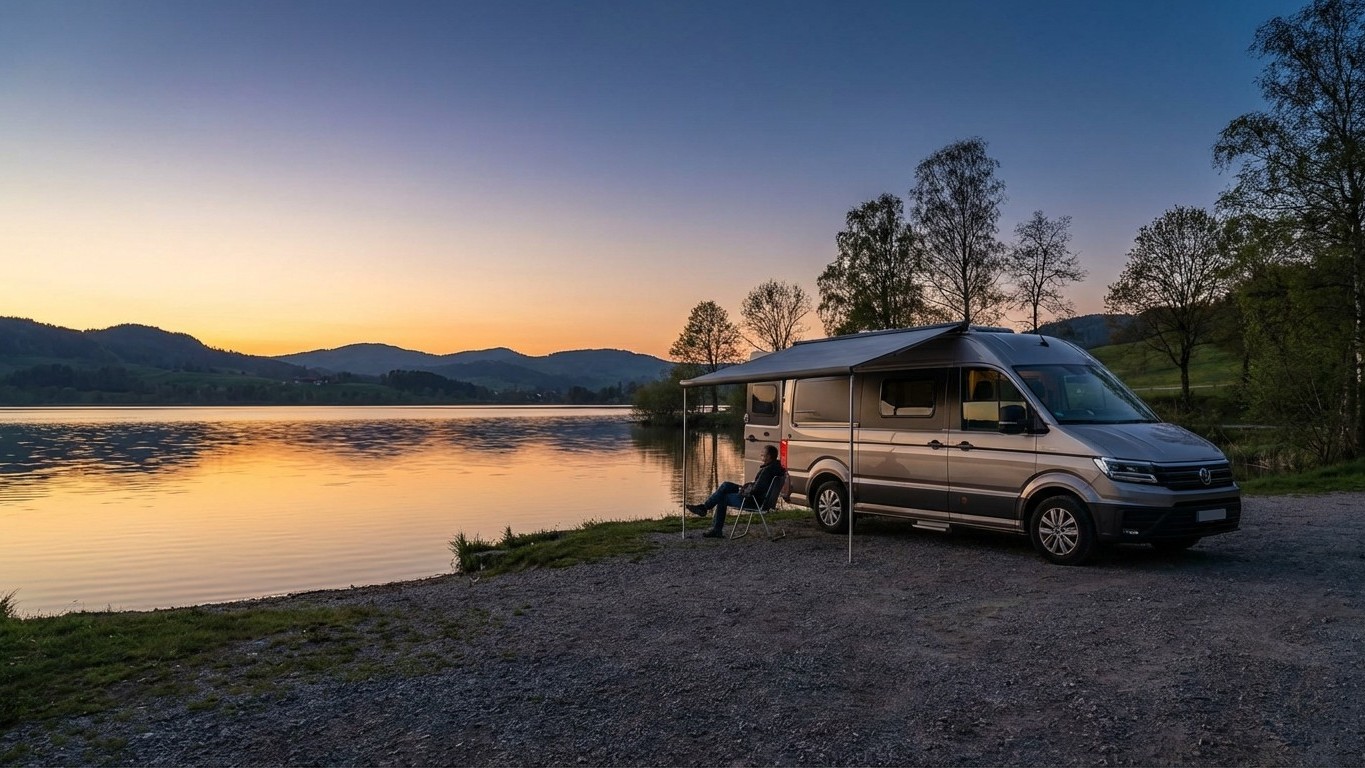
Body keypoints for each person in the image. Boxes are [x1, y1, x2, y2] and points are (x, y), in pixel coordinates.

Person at [686, 444, 787, 538]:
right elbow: (759, 487)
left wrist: (743, 491)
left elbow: (757, 490)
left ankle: (715, 527)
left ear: (769, 456)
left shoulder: (767, 471)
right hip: (759, 499)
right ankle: (704, 508)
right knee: (726, 485)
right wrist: (747, 486)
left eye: (763, 454)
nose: (761, 455)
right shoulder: (776, 468)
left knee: (722, 497)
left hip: (753, 501)